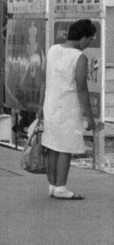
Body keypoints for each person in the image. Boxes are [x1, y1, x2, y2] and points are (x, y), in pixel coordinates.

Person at [41, 18, 99, 200]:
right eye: (90, 39)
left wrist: (39, 105)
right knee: (65, 147)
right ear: (82, 38)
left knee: (52, 146)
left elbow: (44, 80)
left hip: (50, 105)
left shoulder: (53, 50)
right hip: (67, 107)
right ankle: (61, 187)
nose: (89, 43)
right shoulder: (79, 57)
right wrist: (89, 117)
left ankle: (53, 185)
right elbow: (82, 88)